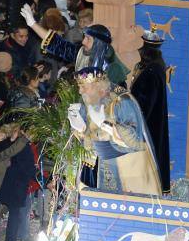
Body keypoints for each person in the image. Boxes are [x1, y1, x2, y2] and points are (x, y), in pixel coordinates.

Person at [67, 67, 162, 195]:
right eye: (79, 87)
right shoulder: (90, 100)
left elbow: (135, 139)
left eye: (84, 86)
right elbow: (89, 140)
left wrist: (106, 124)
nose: (80, 91)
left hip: (128, 168)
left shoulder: (123, 101)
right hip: (102, 165)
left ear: (98, 86)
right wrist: (79, 128)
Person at [20, 4, 130, 87]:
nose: (83, 42)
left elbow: (118, 97)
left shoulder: (112, 67)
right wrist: (32, 24)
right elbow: (59, 45)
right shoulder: (82, 52)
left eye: (88, 39)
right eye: (84, 37)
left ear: (98, 44)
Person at [130, 26, 171, 194]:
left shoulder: (151, 72)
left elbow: (144, 104)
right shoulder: (154, 68)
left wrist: (133, 123)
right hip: (150, 123)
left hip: (147, 127)